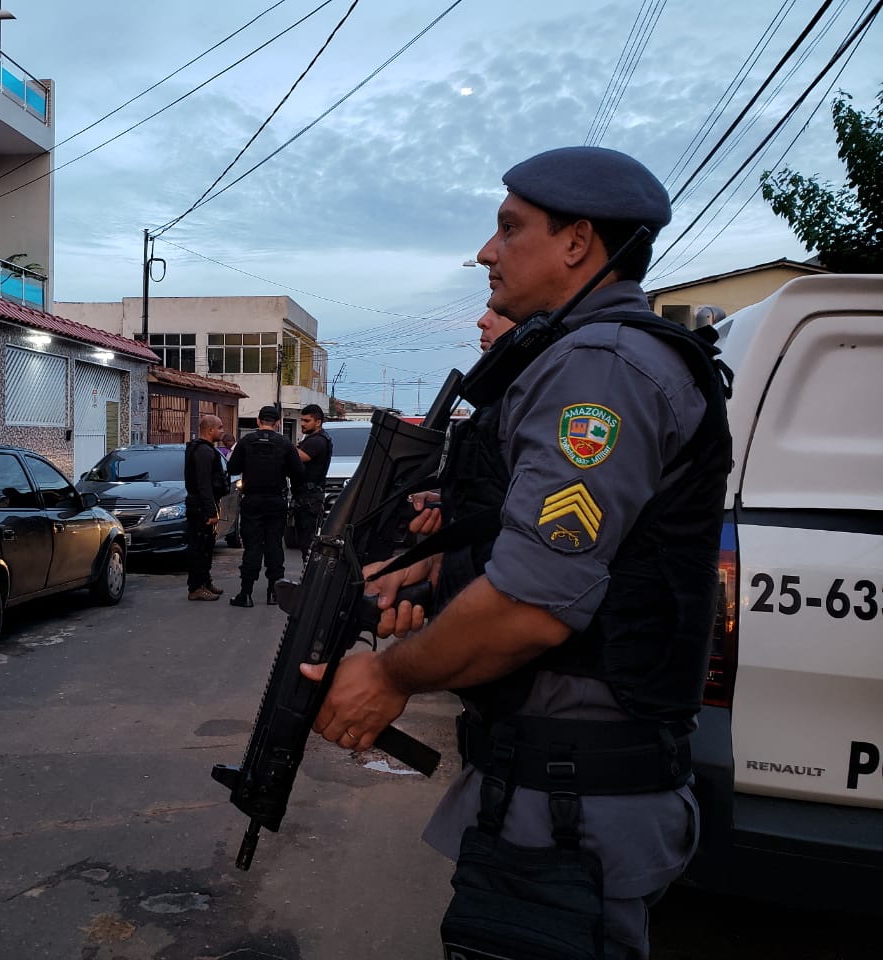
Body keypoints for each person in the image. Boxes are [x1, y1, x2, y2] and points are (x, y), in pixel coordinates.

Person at [300, 146, 732, 959]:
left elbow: (535, 604)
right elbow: (534, 542)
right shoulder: (575, 355)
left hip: (575, 798)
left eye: (508, 228)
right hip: (556, 783)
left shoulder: (600, 367)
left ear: (576, 243)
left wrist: (390, 677)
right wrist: (437, 572)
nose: (487, 252)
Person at [227, 405, 304, 608]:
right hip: (276, 501)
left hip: (252, 500)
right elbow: (298, 471)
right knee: (274, 545)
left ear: (258, 421)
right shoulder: (285, 444)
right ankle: (274, 593)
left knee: (252, 547)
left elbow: (232, 467)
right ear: (277, 422)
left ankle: (246, 594)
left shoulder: (245, 442)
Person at [184, 414, 227, 601]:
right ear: (210, 430)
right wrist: (211, 511)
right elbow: (204, 485)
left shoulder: (205, 449)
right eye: (220, 427)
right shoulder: (203, 452)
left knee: (207, 547)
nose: (223, 431)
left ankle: (205, 581)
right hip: (200, 508)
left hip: (202, 505)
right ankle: (196, 587)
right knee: (199, 547)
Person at [292, 404, 332, 558]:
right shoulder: (312, 439)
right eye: (302, 420)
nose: (302, 423)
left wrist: (285, 446)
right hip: (306, 496)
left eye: (307, 421)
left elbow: (301, 457)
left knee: (307, 542)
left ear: (318, 422)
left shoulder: (317, 441)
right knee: (304, 540)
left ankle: (310, 579)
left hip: (309, 498)